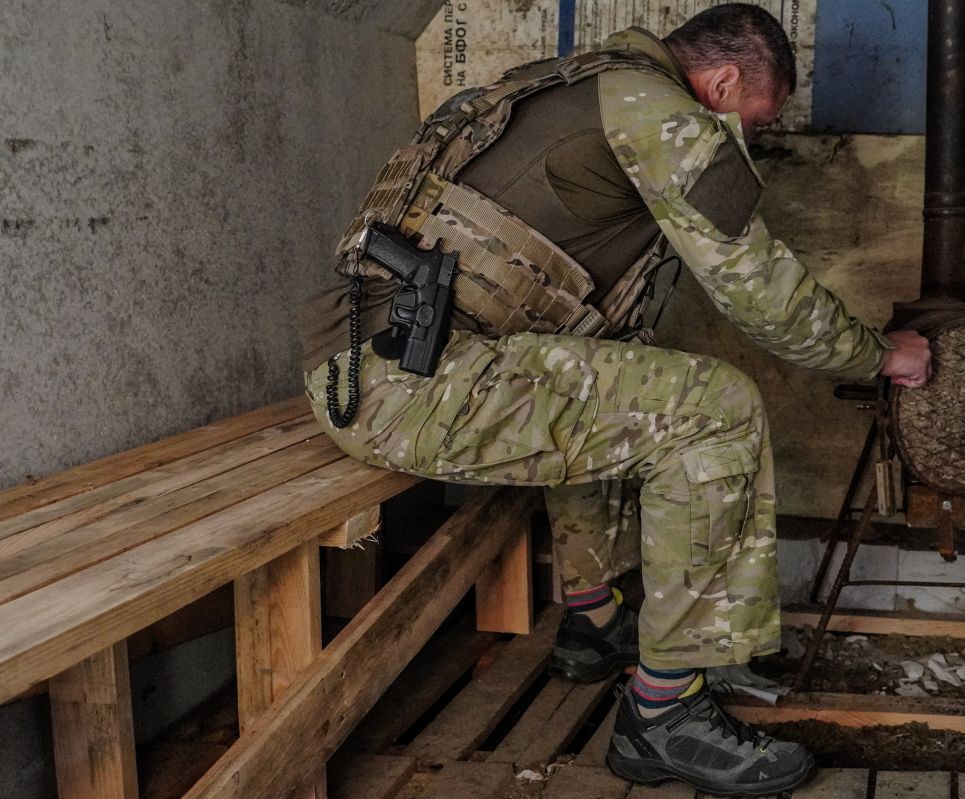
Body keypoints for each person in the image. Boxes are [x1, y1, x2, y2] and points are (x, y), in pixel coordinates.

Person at [301, 5, 931, 795]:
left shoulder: (568, 83)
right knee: (715, 409)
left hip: (374, 368)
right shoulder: (655, 109)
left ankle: (595, 621)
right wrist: (881, 355)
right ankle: (665, 717)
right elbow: (760, 292)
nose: (754, 142)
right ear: (723, 81)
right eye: (755, 123)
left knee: (616, 377)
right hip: (406, 387)